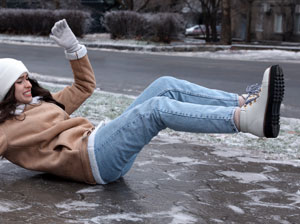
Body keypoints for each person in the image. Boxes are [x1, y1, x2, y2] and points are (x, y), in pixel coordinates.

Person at [0, 19, 284, 185]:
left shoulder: (43, 103)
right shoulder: (7, 130)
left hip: (101, 144)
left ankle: (249, 102)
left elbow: (85, 86)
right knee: (155, 110)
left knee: (165, 85)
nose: (28, 84)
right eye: (20, 80)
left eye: (28, 78)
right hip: (93, 159)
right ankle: (247, 121)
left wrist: (73, 49)